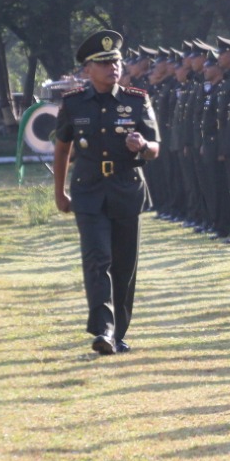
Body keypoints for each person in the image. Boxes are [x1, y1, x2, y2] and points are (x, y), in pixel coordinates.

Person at [53, 30, 161, 355]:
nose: (112, 67)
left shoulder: (137, 99)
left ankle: (119, 332)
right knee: (97, 259)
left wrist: (142, 145)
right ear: (88, 70)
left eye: (115, 61)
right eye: (103, 63)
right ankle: (103, 329)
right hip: (88, 193)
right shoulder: (73, 103)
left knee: (124, 266)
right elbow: (61, 149)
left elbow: (155, 147)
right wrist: (59, 193)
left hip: (126, 190)